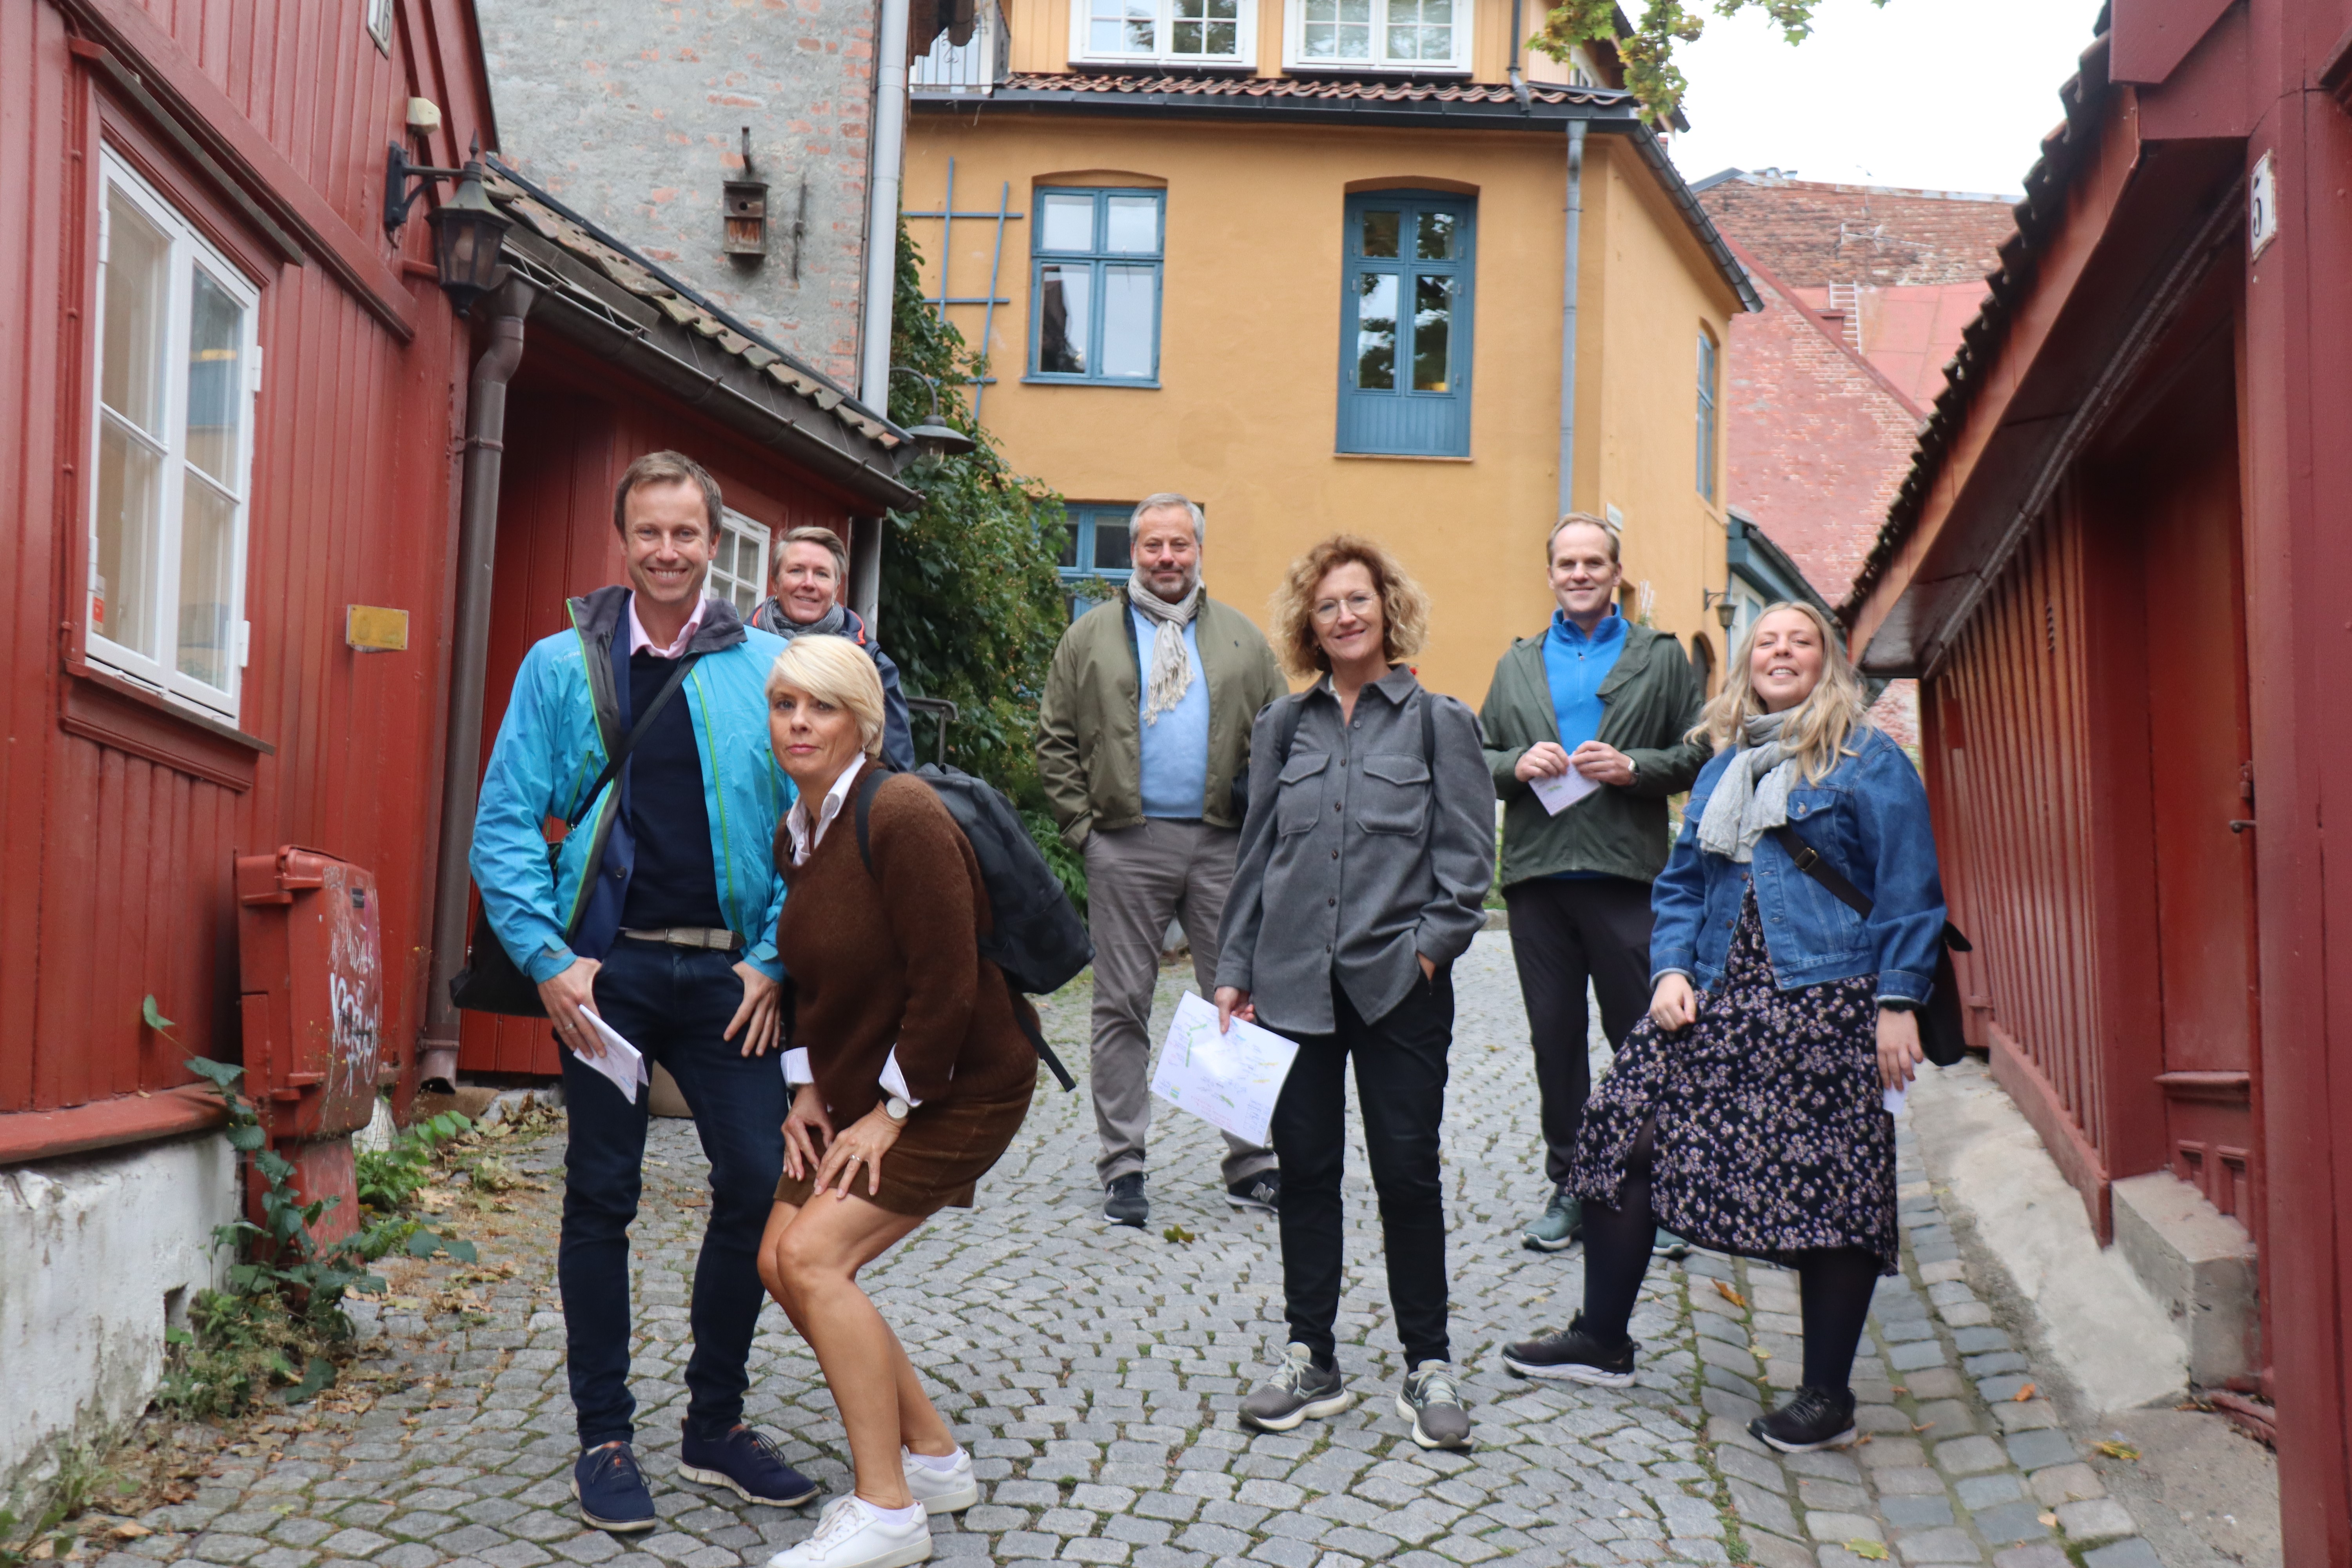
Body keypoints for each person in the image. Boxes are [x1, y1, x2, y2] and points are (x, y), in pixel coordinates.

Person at [1501, 602, 1947, 1455]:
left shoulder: (1869, 759)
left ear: (1829, 666)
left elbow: (1910, 888)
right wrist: (1670, 967)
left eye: (1801, 641)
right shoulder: (1723, 769)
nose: (1781, 651)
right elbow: (1679, 886)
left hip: (1825, 998)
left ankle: (1826, 1394)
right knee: (1619, 1131)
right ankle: (1603, 1336)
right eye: (1767, 641)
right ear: (1747, 666)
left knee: (1831, 1185)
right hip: (1713, 994)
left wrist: (1899, 1002)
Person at [471, 451, 811, 1528]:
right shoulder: (559, 666)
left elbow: (815, 831)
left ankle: (714, 1425)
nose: (668, 552)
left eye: (687, 534)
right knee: (599, 1199)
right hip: (606, 973)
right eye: (649, 533)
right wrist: (546, 959)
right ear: (622, 541)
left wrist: (773, 955)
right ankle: (603, 1435)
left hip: (731, 975)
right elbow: (506, 822)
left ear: (717, 545)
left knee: (758, 1183)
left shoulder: (767, 667)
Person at [755, 634, 1038, 1568]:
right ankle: (937, 1458)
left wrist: (893, 1108)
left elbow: (949, 978)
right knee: (777, 1261)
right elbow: (807, 974)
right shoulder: (800, 824)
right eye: (785, 702)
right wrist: (805, 1087)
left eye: (822, 706)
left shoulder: (901, 811)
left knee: (815, 1257)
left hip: (960, 1087)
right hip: (860, 1088)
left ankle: (887, 1511)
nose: (799, 721)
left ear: (864, 723)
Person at [1214, 535, 1495, 1452]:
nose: (1345, 615)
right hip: (1292, 989)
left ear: (1387, 610)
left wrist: (1429, 950)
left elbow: (1466, 859)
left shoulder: (1437, 721)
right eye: (1328, 604)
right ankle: (1312, 1357)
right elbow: (1254, 859)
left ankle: (1428, 1362)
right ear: (1310, 623)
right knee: (1307, 1177)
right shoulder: (1281, 729)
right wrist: (1232, 968)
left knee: (1407, 1174)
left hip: (1397, 989)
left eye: (1359, 600)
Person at [1036, 494, 1289, 1229]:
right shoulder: (1090, 638)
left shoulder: (1242, 639)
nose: (1167, 558)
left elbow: (1280, 742)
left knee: (1237, 1003)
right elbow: (1054, 740)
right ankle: (1125, 1166)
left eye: (1180, 545)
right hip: (1127, 842)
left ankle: (1251, 1162)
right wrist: (1086, 831)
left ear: (1199, 551)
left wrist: (1263, 842)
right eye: (1153, 546)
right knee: (1121, 1004)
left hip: (1223, 846)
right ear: (1133, 551)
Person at [1477, 514, 1710, 1253]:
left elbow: (1700, 753)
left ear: (1617, 576)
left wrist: (1636, 768)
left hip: (1626, 873)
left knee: (1640, 1036)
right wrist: (1516, 765)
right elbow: (1474, 756)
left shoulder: (1662, 658)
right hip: (1538, 878)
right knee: (1555, 1040)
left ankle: (1660, 1189)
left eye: (1594, 563)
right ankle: (1574, 1184)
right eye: (1567, 563)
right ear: (1550, 574)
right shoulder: (1517, 663)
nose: (1579, 574)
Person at [750, 524, 918, 772]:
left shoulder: (870, 662)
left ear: (837, 588)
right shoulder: (739, 648)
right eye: (796, 571)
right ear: (775, 581)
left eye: (822, 574)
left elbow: (896, 768)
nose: (809, 583)